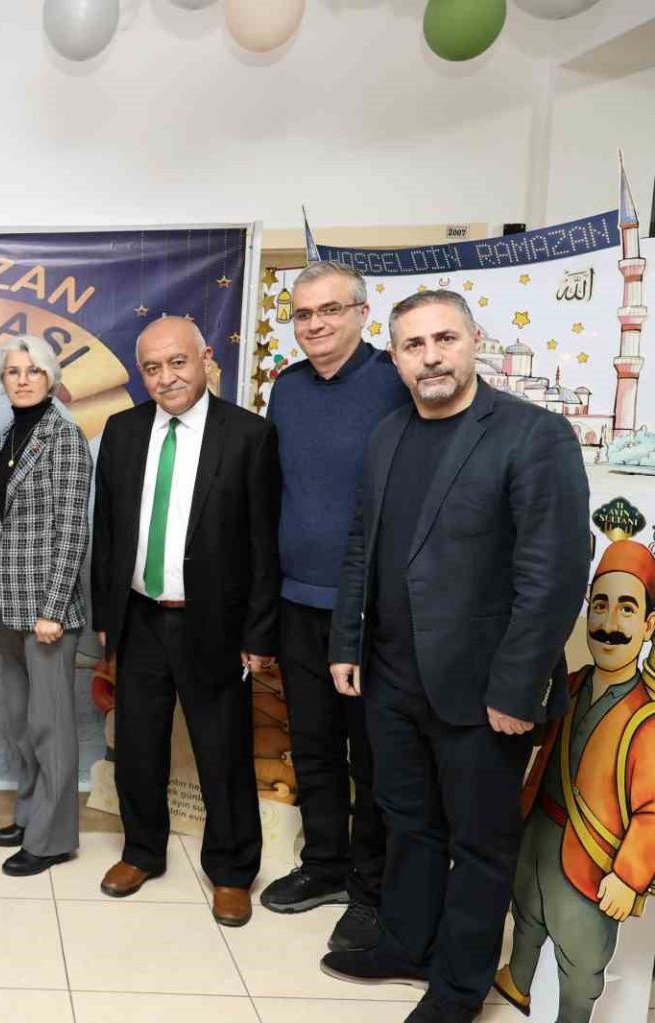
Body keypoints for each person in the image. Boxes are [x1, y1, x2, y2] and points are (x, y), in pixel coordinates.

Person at [322, 289, 590, 1023]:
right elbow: (361, 547)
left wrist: (518, 687)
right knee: (407, 821)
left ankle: (460, 985)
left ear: (474, 341)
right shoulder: (388, 435)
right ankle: (407, 942)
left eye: (445, 338)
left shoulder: (534, 435)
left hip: (484, 691)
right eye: (414, 345)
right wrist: (346, 641)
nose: (431, 356)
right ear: (396, 357)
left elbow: (554, 573)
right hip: (391, 679)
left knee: (479, 843)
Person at [90, 315, 279, 927]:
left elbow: (265, 545)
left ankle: (232, 871)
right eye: (152, 368)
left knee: (222, 752)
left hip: (214, 623)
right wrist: (106, 615)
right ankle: (142, 852)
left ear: (204, 360)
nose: (166, 378)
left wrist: (258, 632)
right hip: (139, 617)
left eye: (177, 362)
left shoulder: (248, 436)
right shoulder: (122, 431)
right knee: (137, 746)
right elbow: (108, 530)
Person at [260, 262, 410, 951]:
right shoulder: (287, 390)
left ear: (362, 313)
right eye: (303, 314)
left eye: (330, 310)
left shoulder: (394, 381)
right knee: (314, 746)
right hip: (297, 602)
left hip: (374, 610)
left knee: (372, 755)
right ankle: (324, 864)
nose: (315, 324)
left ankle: (372, 886)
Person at [495, 539, 655, 1023]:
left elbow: (652, 810)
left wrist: (629, 877)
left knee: (581, 957)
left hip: (593, 860)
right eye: (600, 605)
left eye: (627, 609)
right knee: (527, 913)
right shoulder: (572, 682)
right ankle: (518, 980)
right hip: (540, 832)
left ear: (649, 625)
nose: (609, 623)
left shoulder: (647, 719)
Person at [0, 335, 91, 876]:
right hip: (6, 606)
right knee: (23, 724)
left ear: (51, 379)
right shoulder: (0, 441)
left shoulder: (65, 439)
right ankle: (29, 815)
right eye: (13, 371)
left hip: (48, 610)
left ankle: (53, 838)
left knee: (51, 726)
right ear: (3, 381)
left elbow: (72, 530)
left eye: (34, 371)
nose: (23, 380)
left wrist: (54, 608)